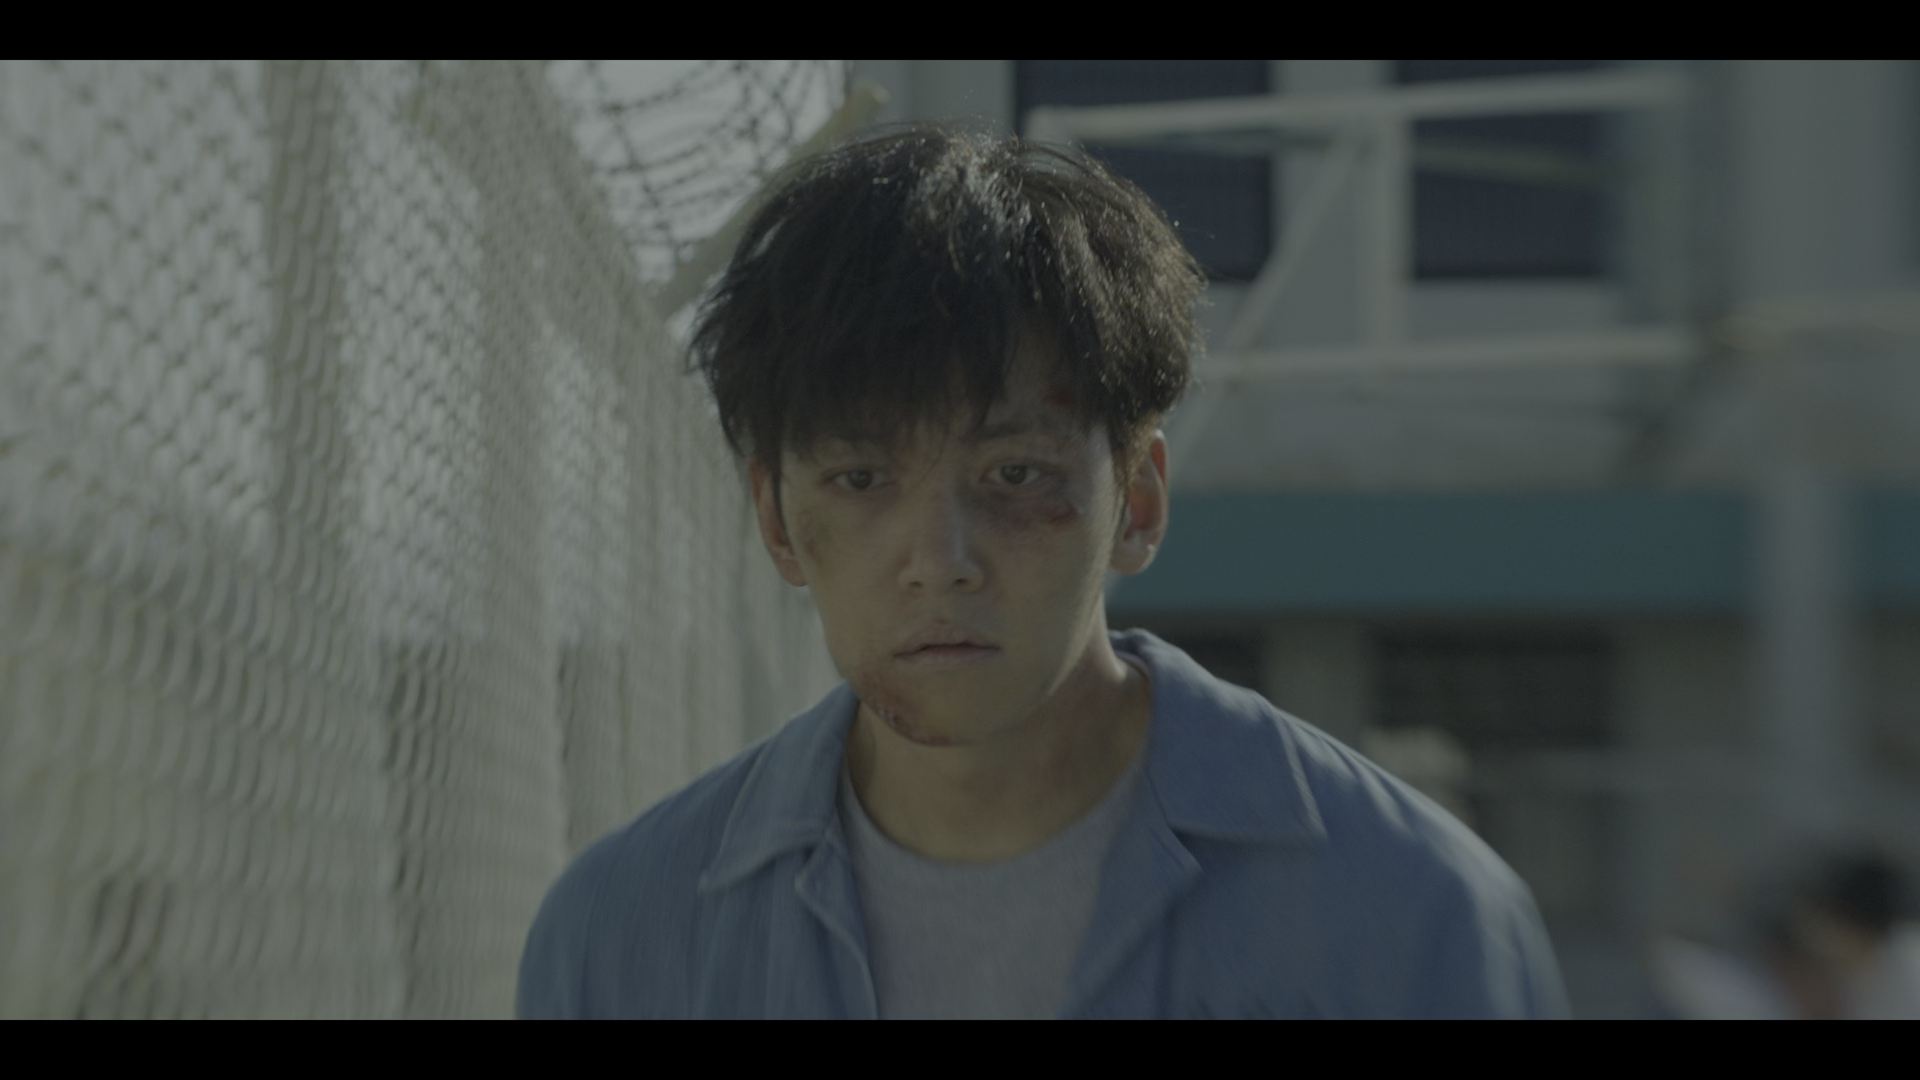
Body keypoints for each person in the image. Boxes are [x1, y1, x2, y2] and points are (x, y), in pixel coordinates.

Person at [517, 124, 1569, 1019]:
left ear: (1137, 502)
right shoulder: (624, 943)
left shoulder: (1409, 917)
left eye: (1014, 474)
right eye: (861, 478)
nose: (940, 562)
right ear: (777, 522)